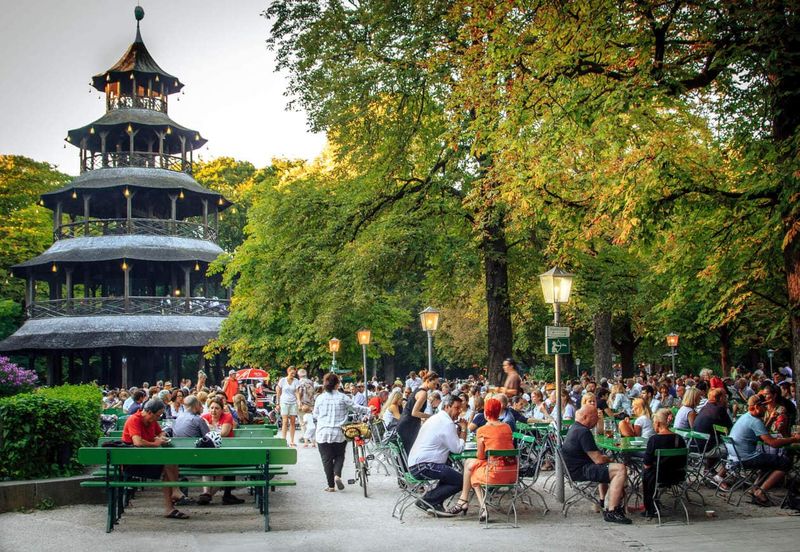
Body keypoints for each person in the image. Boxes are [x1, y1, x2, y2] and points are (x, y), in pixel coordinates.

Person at [447, 398, 516, 519]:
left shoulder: (482, 430)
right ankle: (464, 501)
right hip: (511, 472)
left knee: (472, 469)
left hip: (495, 473)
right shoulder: (507, 427)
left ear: (485, 412)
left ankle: (479, 507)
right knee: (470, 464)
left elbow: (480, 456)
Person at [561, 406, 631, 524]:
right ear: (585, 417)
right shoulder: (583, 432)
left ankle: (605, 501)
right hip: (580, 471)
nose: (596, 420)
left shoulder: (575, 428)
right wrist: (609, 460)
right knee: (620, 469)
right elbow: (598, 459)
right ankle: (612, 511)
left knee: (610, 467)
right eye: (595, 417)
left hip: (573, 469)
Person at [121, 399, 187, 519]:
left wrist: (162, 438)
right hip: (133, 463)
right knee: (168, 463)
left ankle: (170, 506)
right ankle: (175, 492)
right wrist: (156, 443)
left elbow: (161, 432)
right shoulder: (134, 419)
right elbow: (137, 442)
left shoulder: (151, 420)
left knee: (171, 463)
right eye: (158, 415)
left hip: (147, 459)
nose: (159, 418)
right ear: (149, 412)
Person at [729, 395, 800, 505]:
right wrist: (794, 439)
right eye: (764, 406)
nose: (766, 409)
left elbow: (761, 434)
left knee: (770, 461)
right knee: (785, 462)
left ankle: (754, 488)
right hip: (745, 458)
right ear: (757, 407)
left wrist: (771, 419)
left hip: (735, 456)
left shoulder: (745, 417)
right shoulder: (755, 421)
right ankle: (760, 492)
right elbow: (773, 443)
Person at [407, 394, 467, 516]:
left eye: (460, 408)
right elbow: (458, 449)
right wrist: (464, 429)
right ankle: (426, 501)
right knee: (462, 480)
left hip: (417, 464)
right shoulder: (446, 422)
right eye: (456, 408)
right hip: (423, 466)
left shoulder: (437, 418)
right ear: (447, 406)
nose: (459, 411)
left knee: (450, 473)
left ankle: (435, 502)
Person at [313, 372, 371, 492]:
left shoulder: (320, 398)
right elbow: (356, 408)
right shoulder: (343, 397)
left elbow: (315, 415)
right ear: (337, 384)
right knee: (340, 455)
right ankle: (337, 475)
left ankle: (331, 486)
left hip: (323, 433)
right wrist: (369, 410)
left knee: (326, 459)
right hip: (339, 433)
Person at [641, 408, 687, 518]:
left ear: (657, 423)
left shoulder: (654, 440)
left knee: (646, 472)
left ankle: (650, 508)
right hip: (678, 476)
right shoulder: (679, 438)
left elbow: (647, 463)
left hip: (659, 477)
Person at [196, 396, 241, 505]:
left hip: (226, 451)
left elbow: (224, 433)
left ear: (222, 409)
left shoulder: (227, 417)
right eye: (211, 408)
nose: (213, 411)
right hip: (210, 451)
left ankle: (208, 495)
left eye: (216, 408)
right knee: (206, 469)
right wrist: (211, 428)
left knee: (221, 472)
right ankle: (206, 493)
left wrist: (209, 427)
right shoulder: (204, 416)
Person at [397, 371, 439, 455]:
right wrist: (431, 416)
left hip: (406, 422)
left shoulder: (418, 389)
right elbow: (415, 412)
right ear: (428, 381)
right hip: (409, 425)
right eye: (434, 383)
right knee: (410, 452)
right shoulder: (423, 393)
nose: (435, 386)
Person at [276, 366, 301, 447]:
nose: (293, 375)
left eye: (294, 373)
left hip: (293, 402)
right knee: (285, 421)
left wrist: (299, 401)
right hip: (284, 402)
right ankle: (284, 440)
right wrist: (277, 403)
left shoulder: (296, 381)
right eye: (292, 373)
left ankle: (292, 441)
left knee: (293, 422)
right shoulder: (282, 380)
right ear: (288, 371)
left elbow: (297, 392)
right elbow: (278, 392)